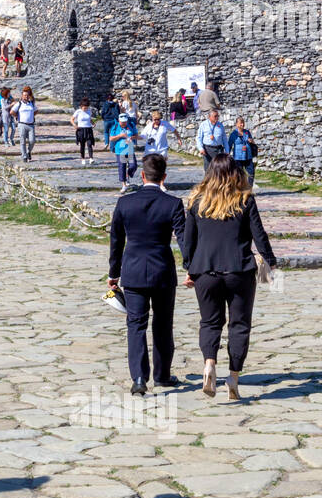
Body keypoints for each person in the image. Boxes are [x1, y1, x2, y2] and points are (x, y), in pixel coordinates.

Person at [180, 155, 278, 400]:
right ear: (235, 173)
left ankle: (209, 364)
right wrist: (270, 261)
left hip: (205, 271)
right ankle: (233, 377)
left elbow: (188, 240)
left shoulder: (196, 202)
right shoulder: (244, 200)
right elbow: (259, 234)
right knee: (239, 324)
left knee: (210, 322)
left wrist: (189, 267)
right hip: (239, 270)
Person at [108, 154, 186, 395]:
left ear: (142, 175)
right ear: (164, 177)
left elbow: (116, 241)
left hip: (133, 272)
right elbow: (183, 238)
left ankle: (140, 378)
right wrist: (191, 267)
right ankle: (162, 375)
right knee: (163, 325)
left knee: (136, 325)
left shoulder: (124, 203)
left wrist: (114, 273)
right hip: (162, 271)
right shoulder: (173, 204)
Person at [108, 113, 140, 193]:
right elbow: (111, 139)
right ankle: (124, 185)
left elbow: (136, 135)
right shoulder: (115, 127)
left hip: (130, 149)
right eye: (122, 122)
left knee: (133, 166)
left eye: (125, 121)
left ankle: (128, 175)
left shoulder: (131, 125)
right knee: (122, 167)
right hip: (120, 150)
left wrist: (132, 137)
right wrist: (120, 136)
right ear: (119, 121)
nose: (124, 123)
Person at [227, 116, 257, 184]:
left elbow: (253, 142)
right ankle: (239, 191)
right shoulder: (233, 134)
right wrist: (227, 155)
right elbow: (229, 145)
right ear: (236, 124)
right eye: (240, 123)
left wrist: (251, 141)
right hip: (238, 158)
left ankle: (249, 190)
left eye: (243, 123)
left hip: (248, 156)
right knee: (238, 175)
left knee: (251, 173)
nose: (242, 124)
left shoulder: (247, 132)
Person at [12, 85, 37, 162]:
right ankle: (24, 156)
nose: (26, 96)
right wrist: (17, 116)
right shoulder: (19, 104)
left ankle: (29, 151)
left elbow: (36, 110)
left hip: (31, 125)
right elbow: (12, 112)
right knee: (22, 141)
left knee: (32, 140)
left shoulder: (31, 104)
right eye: (24, 95)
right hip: (22, 124)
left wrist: (31, 116)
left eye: (27, 95)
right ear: (22, 96)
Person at [71, 97, 96, 164]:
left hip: (88, 129)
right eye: (84, 108)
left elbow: (89, 119)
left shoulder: (89, 111)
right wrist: (74, 125)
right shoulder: (78, 112)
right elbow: (72, 119)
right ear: (81, 106)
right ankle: (83, 158)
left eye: (87, 107)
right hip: (81, 129)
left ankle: (91, 158)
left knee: (89, 144)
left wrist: (93, 123)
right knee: (82, 145)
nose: (85, 109)